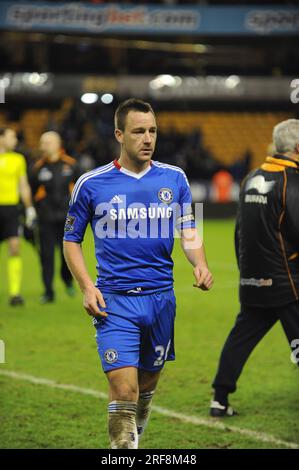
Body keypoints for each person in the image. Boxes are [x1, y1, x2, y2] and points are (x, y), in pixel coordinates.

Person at [63, 98, 213, 449]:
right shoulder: (92, 183)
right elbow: (71, 240)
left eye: (152, 131)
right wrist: (87, 286)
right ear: (119, 134)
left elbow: (188, 230)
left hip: (161, 300)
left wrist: (200, 263)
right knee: (124, 390)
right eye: (139, 131)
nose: (148, 138)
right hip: (114, 302)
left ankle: (134, 441)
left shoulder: (175, 178)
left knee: (145, 388)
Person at [211, 119, 299, 417]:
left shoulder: (251, 177)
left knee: (241, 339)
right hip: (288, 281)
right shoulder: (293, 180)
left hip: (253, 278)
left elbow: (240, 232)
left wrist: (246, 272)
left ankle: (219, 398)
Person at [30, 131, 77, 304]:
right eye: (42, 143)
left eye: (47, 142)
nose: (44, 146)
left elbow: (81, 192)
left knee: (67, 255)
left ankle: (68, 280)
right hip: (46, 219)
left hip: (67, 220)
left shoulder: (71, 165)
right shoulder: (37, 168)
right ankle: (48, 291)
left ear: (58, 144)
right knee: (46, 256)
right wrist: (32, 211)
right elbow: (31, 190)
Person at [0, 127, 36, 306]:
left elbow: (23, 185)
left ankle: (15, 293)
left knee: (15, 248)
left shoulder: (18, 159)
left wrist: (29, 208)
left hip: (11, 209)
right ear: (1, 138)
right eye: (11, 136)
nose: (15, 140)